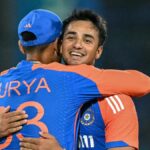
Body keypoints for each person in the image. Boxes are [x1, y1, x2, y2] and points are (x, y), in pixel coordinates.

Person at [0, 9, 149, 150]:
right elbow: (142, 83)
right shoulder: (67, 78)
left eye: (87, 40)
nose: (77, 45)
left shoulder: (116, 100)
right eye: (71, 37)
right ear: (59, 44)